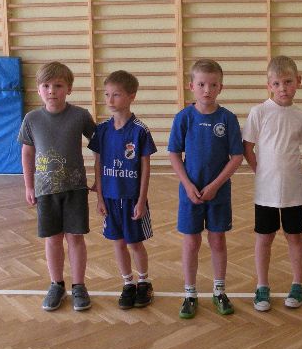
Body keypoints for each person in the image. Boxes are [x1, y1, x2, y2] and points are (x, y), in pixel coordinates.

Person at [18, 61, 96, 312]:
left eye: (58, 85)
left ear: (69, 89)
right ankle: (56, 284)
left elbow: (99, 146)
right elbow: (27, 153)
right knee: (53, 239)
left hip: (75, 189)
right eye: (46, 85)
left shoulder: (80, 116)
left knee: (75, 238)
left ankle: (79, 285)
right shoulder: (32, 119)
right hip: (46, 190)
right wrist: (29, 186)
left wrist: (100, 179)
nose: (52, 90)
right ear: (38, 89)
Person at [168, 59, 243, 318]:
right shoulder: (184, 118)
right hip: (190, 194)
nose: (207, 90)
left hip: (218, 193)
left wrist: (214, 185)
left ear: (221, 87)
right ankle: (190, 294)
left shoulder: (228, 119)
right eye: (201, 84)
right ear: (191, 86)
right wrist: (188, 185)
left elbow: (236, 157)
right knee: (191, 242)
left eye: (213, 85)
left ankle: (219, 290)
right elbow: (174, 154)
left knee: (217, 240)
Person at [243, 56, 302, 311]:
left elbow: (296, 147)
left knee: (294, 237)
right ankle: (262, 285)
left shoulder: (301, 116)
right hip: (266, 191)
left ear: (298, 82)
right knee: (264, 238)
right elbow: (248, 148)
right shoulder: (259, 112)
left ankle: (298, 283)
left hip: (294, 189)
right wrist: (260, 171)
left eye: (288, 82)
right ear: (269, 85)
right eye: (277, 83)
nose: (283, 88)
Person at [88, 71, 157, 310]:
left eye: (116, 95)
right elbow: (97, 164)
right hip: (110, 197)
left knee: (135, 243)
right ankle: (127, 283)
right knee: (117, 242)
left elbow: (146, 168)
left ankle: (143, 282)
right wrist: (100, 197)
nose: (110, 100)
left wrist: (141, 200)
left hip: (131, 198)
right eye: (107, 94)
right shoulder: (101, 130)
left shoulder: (140, 130)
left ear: (131, 96)